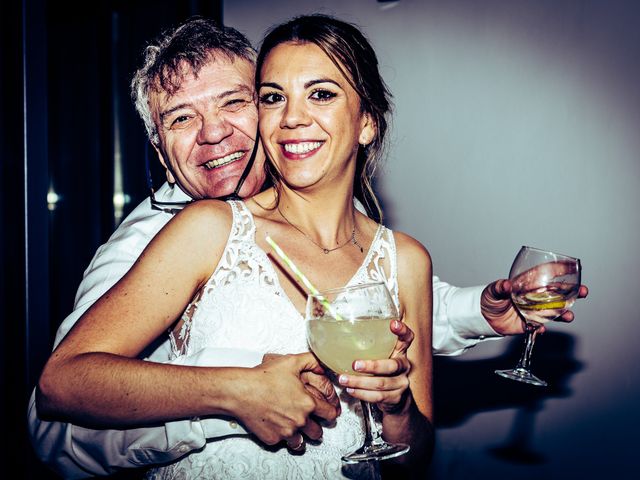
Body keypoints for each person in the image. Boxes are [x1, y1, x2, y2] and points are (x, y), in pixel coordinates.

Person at [28, 16, 588, 479]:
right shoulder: (176, 232)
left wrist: (471, 323)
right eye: (181, 118)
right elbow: (55, 411)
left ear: (367, 122)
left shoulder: (388, 244)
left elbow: (365, 315)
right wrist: (234, 395)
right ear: (157, 146)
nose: (214, 132)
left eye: (235, 102)